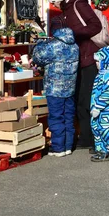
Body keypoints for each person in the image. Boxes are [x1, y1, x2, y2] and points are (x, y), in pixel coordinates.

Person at [47, 0, 102, 153]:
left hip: (88, 59)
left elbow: (96, 25)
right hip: (78, 59)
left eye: (54, 3)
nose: (54, 6)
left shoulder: (77, 4)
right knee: (79, 100)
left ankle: (94, 140)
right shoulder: (68, 9)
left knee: (86, 101)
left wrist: (73, 34)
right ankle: (85, 137)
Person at [32, 16, 79, 157]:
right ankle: (68, 146)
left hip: (55, 87)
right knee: (69, 116)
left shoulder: (53, 45)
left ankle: (58, 148)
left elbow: (37, 57)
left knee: (56, 117)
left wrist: (39, 43)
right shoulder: (74, 45)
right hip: (70, 87)